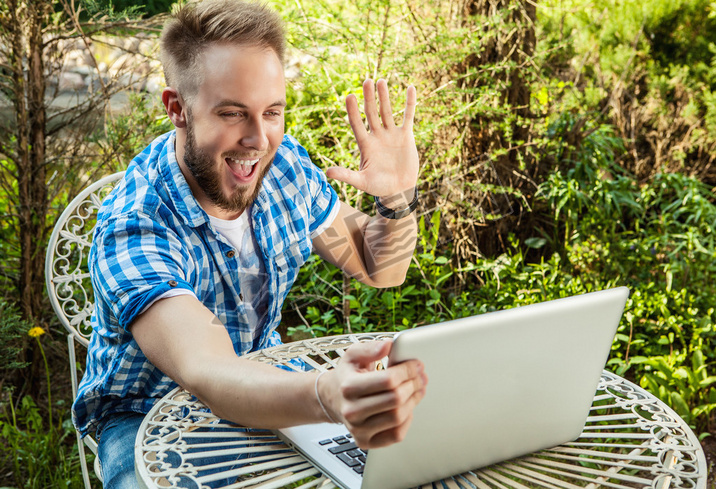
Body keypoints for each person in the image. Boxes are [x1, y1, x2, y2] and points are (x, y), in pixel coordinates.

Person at [72, 0, 427, 487]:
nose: (259, 140)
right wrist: (326, 395)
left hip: (270, 382)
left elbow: (379, 268)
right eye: (233, 113)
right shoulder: (135, 223)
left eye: (272, 112)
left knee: (409, 468)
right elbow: (209, 372)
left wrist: (396, 198)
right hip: (145, 415)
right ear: (177, 108)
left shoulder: (284, 170)